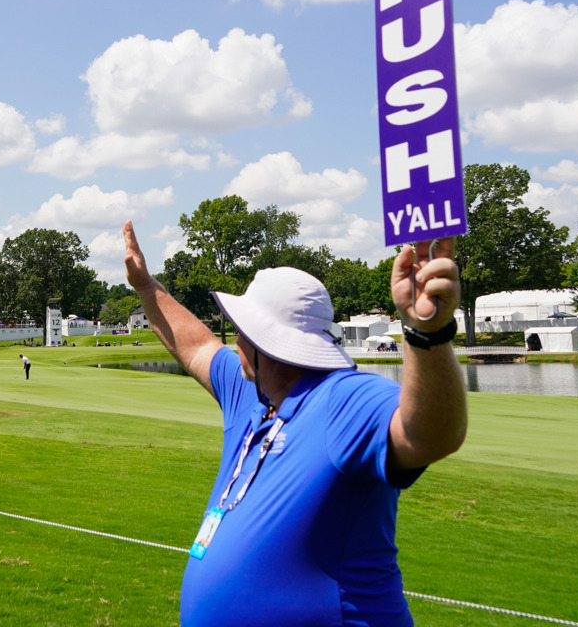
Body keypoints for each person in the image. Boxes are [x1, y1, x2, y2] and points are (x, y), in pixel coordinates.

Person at [122, 221, 467, 627]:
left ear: (264, 342)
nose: (234, 341)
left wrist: (427, 333)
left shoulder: (341, 398)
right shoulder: (251, 391)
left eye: (242, 329)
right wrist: (145, 286)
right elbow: (196, 346)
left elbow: (427, 436)